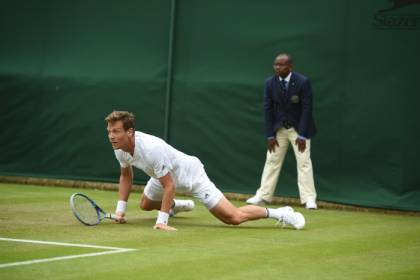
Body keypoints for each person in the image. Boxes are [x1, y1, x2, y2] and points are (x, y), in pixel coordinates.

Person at [105, 110, 306, 231]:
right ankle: (177, 205)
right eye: (109, 132)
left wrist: (162, 221)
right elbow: (125, 176)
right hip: (162, 175)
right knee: (145, 204)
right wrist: (120, 212)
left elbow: (170, 185)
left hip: (190, 175)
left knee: (233, 218)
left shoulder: (151, 148)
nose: (111, 136)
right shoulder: (120, 149)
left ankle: (280, 213)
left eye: (116, 131)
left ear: (129, 132)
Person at [246, 53, 318, 209]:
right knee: (272, 161)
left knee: (304, 162)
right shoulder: (270, 83)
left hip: (299, 130)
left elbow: (307, 109)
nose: (277, 67)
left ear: (290, 66)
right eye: (275, 64)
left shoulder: (302, 82)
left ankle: (309, 199)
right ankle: (263, 196)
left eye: (281, 65)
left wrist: (303, 135)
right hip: (278, 130)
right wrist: (270, 135)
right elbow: (267, 109)